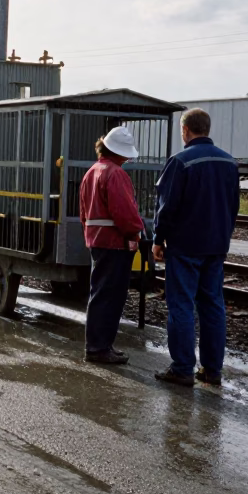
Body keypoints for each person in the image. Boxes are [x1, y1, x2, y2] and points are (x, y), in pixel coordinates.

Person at [152, 108, 240, 387]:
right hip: (216, 245)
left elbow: (167, 207)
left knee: (181, 305)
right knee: (213, 305)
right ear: (207, 129)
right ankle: (213, 370)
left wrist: (158, 239)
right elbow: (233, 206)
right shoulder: (230, 163)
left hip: (185, 246)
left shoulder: (180, 161)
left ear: (186, 130)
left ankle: (183, 368)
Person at [78, 126, 144, 365]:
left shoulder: (92, 172)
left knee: (99, 294)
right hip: (115, 243)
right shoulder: (116, 174)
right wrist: (136, 233)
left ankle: (98, 345)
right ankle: (99, 348)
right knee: (111, 297)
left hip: (97, 241)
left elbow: (84, 212)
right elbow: (125, 213)